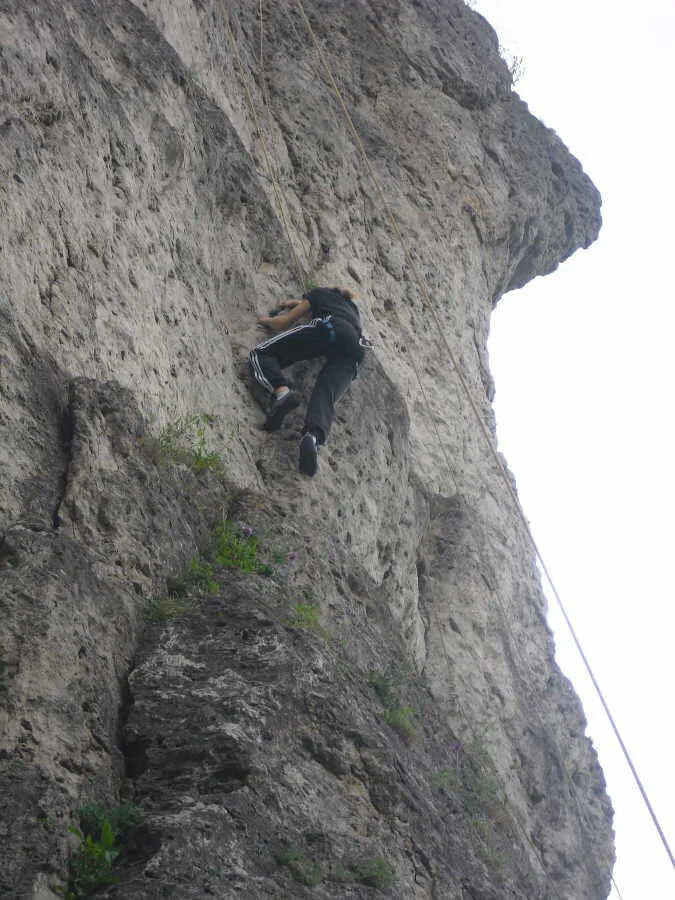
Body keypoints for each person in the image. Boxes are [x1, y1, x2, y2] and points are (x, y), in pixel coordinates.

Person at [249, 285, 371, 476]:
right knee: (326, 395)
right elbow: (321, 309)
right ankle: (312, 438)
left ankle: (281, 392)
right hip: (356, 350)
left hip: (330, 329)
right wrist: (298, 303)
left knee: (261, 353)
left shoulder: (318, 293)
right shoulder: (352, 309)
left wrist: (265, 320)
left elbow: (284, 323)